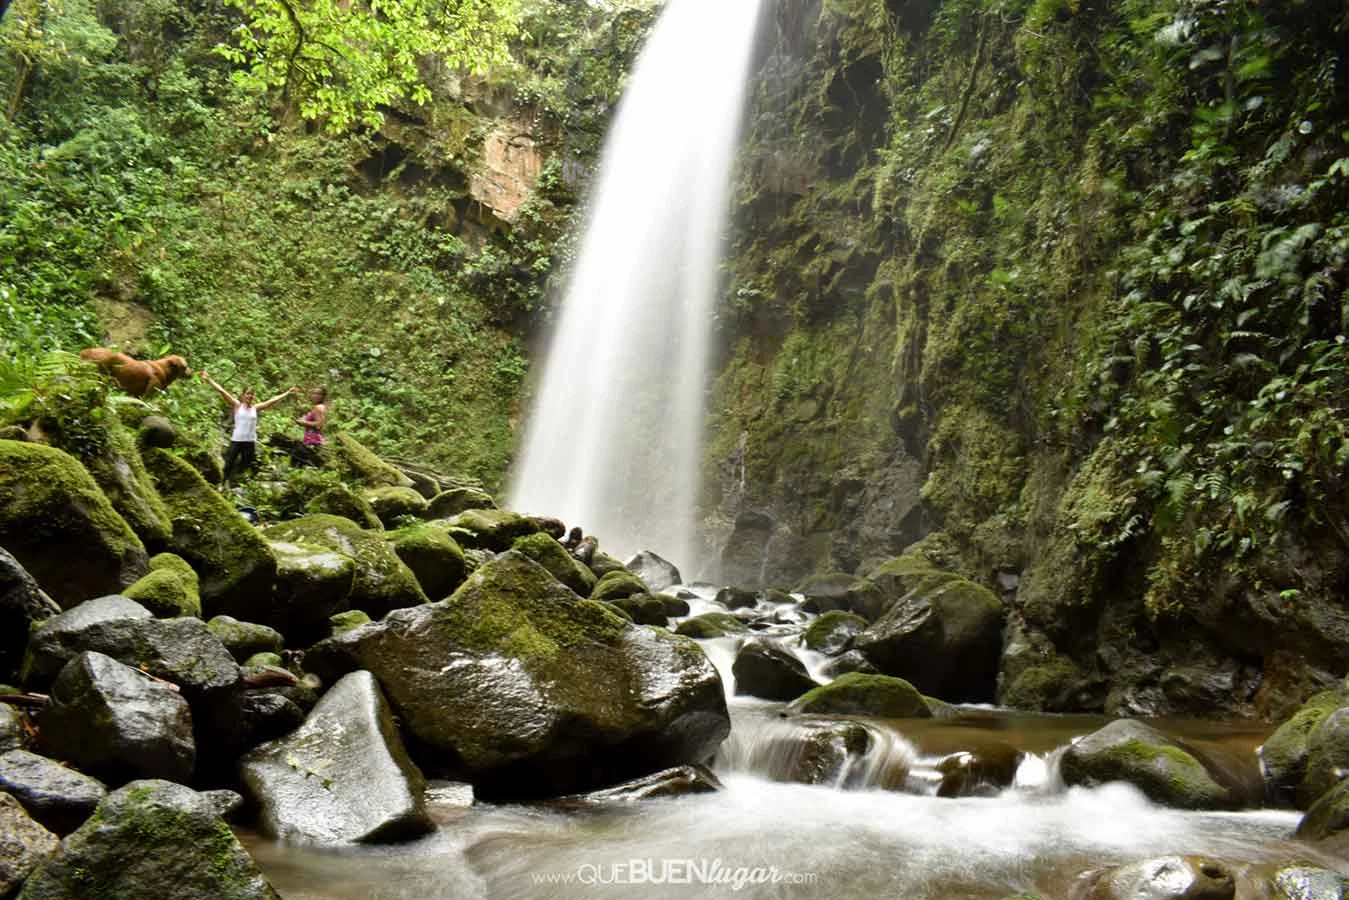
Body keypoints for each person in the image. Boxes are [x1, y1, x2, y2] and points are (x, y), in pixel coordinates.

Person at [199, 371, 297, 484]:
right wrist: (209, 380)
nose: (249, 396)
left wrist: (287, 393)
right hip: (237, 440)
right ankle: (223, 482)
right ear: (243, 395)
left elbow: (272, 401)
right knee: (229, 463)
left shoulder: (255, 408)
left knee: (246, 464)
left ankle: (238, 485)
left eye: (251, 394)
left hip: (250, 441)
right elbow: (222, 391)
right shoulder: (237, 405)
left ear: (254, 396)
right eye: (247, 394)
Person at [293, 387, 328, 466]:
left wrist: (303, 422)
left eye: (318, 394)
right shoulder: (321, 407)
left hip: (313, 441)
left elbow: (319, 425)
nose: (315, 396)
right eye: (313, 393)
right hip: (312, 441)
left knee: (295, 463)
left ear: (323, 396)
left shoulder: (318, 408)